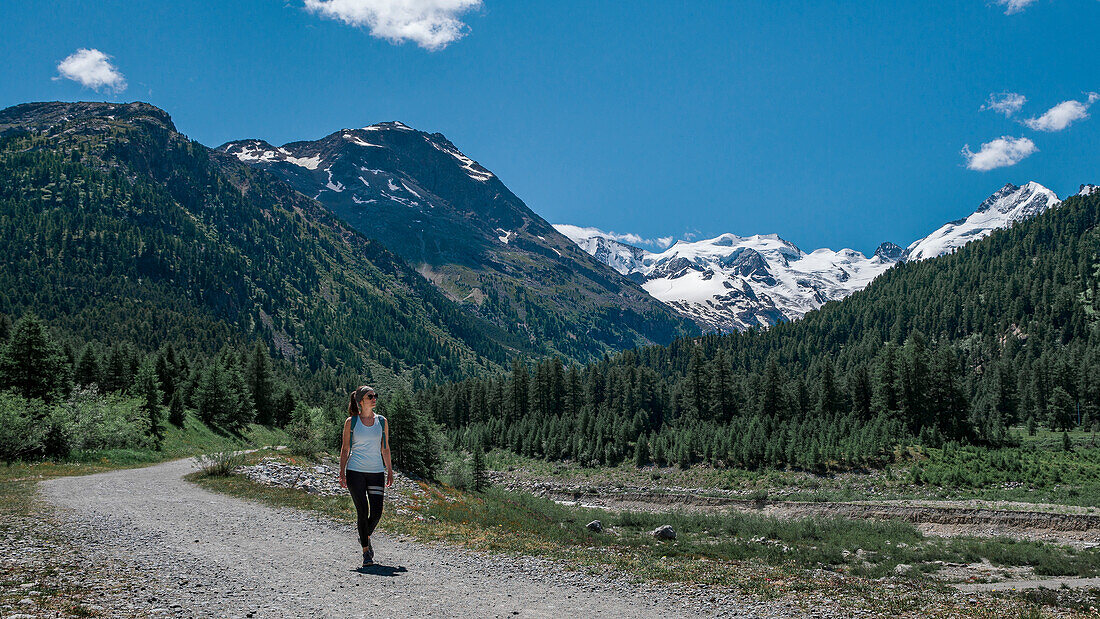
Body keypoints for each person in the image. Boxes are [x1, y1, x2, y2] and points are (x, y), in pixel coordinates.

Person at [339, 385, 393, 567]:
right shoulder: (351, 422)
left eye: (375, 395)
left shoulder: (382, 421)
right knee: (362, 511)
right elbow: (345, 449)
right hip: (355, 472)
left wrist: (390, 470)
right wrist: (341, 472)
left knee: (377, 512)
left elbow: (385, 448)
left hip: (377, 471)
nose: (374, 398)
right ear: (361, 401)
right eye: (371, 396)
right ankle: (366, 553)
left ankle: (365, 534)